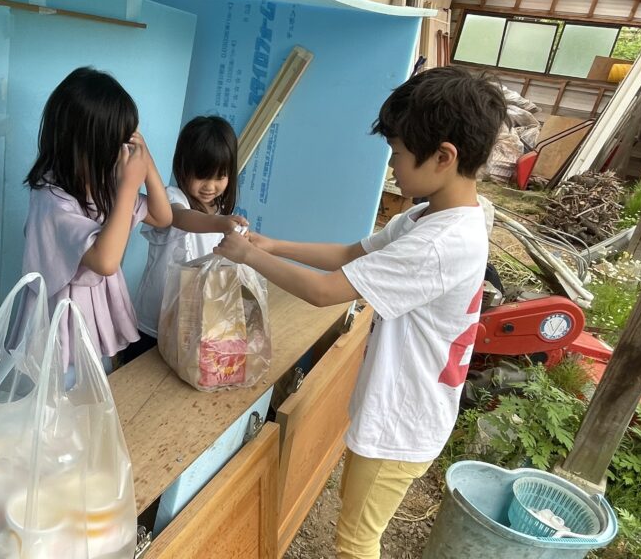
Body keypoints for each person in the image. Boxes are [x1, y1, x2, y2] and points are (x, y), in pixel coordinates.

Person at [213, 66, 507, 558]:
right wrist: (272, 245)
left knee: (356, 541)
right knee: (355, 524)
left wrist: (248, 256)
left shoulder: (438, 243)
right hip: (402, 408)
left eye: (398, 153)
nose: (392, 165)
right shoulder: (429, 216)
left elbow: (327, 291)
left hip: (403, 422)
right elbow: (351, 254)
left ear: (443, 157)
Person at [22, 66, 172, 371]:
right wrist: (128, 186)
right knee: (63, 387)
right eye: (116, 143)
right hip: (61, 327)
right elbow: (105, 261)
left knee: (93, 381)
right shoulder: (51, 200)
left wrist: (147, 163)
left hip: (93, 321)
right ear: (87, 145)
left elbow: (162, 215)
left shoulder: (104, 187)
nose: (123, 153)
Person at [123, 116, 247, 363]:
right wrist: (220, 223)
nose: (210, 186)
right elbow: (180, 218)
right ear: (182, 167)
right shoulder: (172, 198)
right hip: (152, 325)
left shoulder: (223, 215)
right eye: (202, 175)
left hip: (192, 327)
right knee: (137, 378)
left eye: (220, 176)